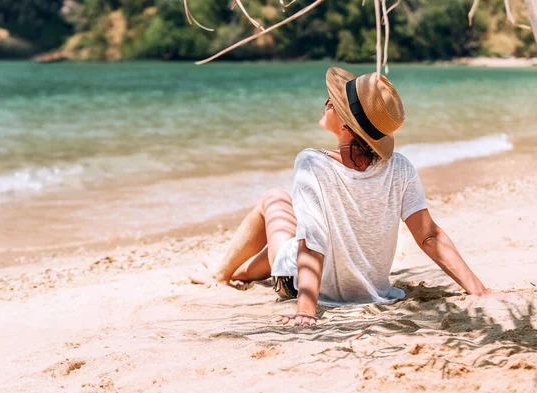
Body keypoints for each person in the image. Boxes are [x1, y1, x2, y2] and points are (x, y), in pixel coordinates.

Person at [190, 67, 488, 326]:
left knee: (274, 199)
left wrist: (306, 309)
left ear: (346, 125)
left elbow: (313, 241)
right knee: (278, 251)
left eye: (332, 103)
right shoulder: (400, 168)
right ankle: (237, 272)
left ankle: (219, 274)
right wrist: (479, 291)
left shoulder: (312, 162)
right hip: (373, 290)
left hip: (301, 285)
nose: (326, 103)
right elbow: (429, 237)